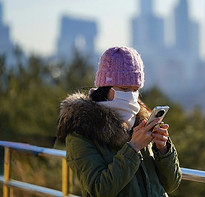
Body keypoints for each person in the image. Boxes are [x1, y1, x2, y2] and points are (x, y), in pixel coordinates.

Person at [56, 46, 182, 197]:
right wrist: (133, 148)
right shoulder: (81, 131)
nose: (130, 96)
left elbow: (172, 184)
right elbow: (99, 190)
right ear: (105, 87)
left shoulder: (142, 122)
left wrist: (163, 150)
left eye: (135, 90)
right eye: (124, 88)